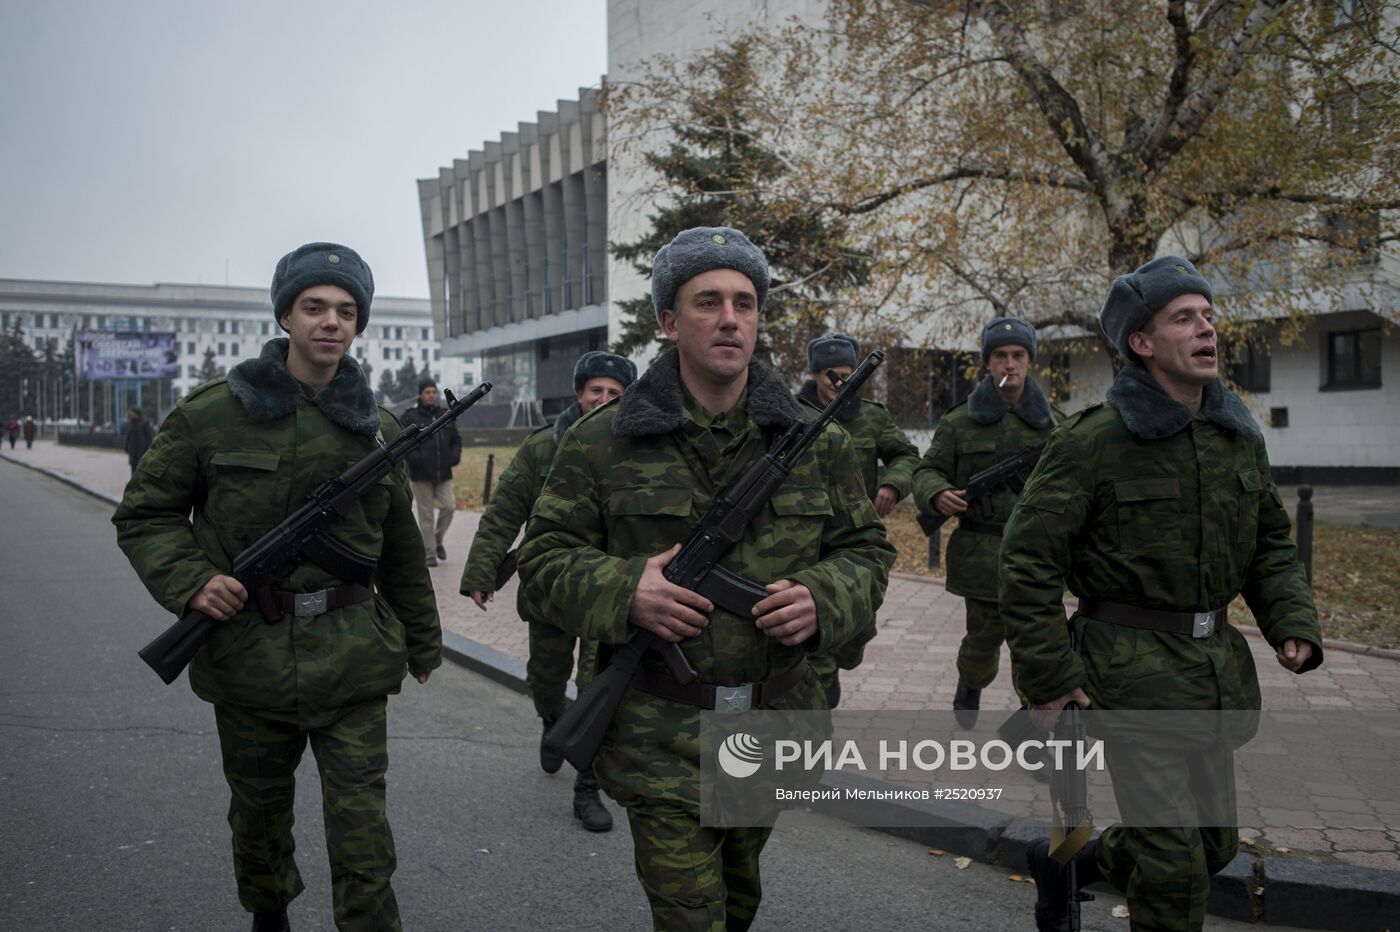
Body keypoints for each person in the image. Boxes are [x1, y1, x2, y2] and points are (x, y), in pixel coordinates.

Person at [517, 226, 895, 930]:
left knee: (740, 899)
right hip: (660, 731)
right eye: (708, 301)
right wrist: (625, 588)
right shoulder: (603, 442)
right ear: (668, 321)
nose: (730, 318)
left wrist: (824, 597)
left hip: (771, 719)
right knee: (692, 916)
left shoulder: (821, 444)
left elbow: (867, 551)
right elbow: (541, 562)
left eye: (746, 303)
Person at [113, 242, 441, 932]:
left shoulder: (376, 430)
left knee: (364, 835)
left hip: (352, 657)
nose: (332, 322)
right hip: (248, 659)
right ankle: (269, 912)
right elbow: (146, 514)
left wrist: (422, 643)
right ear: (285, 316)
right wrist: (193, 583)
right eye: (314, 307)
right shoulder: (211, 415)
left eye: (346, 311)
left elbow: (402, 551)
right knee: (259, 818)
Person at [999, 256, 1323, 932]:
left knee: (1211, 846)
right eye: (1184, 318)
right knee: (1173, 871)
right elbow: (1028, 561)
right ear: (1142, 344)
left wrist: (1290, 619)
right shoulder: (1094, 441)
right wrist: (1047, 677)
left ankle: (1064, 861)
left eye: (1208, 316)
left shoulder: (1235, 436)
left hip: (1211, 677)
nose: (1206, 329)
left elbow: (1268, 540)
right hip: (1124, 675)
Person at [459, 349, 638, 832]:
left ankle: (588, 788)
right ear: (579, 395)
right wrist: (480, 572)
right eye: (595, 391)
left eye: (614, 394)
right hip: (550, 588)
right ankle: (550, 721)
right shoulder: (542, 448)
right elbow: (503, 511)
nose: (603, 400)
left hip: (609, 590)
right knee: (546, 680)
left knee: (597, 688)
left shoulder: (639, 451)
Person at [911, 317, 1062, 727]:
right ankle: (970, 683)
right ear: (988, 364)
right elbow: (927, 470)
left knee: (1033, 649)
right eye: (1000, 356)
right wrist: (937, 493)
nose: (1009, 364)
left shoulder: (1057, 426)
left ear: (1030, 361)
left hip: (1037, 560)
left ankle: (1032, 728)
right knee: (982, 643)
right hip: (982, 558)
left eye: (1017, 355)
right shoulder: (960, 422)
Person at [798, 332, 919, 707]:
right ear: (816, 374)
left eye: (848, 375)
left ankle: (832, 667)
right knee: (812, 630)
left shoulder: (871, 418)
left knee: (855, 631)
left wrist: (893, 486)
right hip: (804, 540)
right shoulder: (789, 413)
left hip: (853, 540)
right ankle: (817, 685)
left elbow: (907, 456)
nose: (839, 383)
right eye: (831, 375)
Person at [402, 377, 462, 567]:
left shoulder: (446, 414)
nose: (431, 395)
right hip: (420, 475)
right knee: (426, 514)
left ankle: (436, 541)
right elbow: (405, 443)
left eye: (434, 392)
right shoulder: (410, 417)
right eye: (427, 392)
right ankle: (429, 553)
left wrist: (453, 457)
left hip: (443, 472)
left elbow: (456, 439)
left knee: (449, 507)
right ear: (421, 395)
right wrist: (417, 460)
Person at [124, 406, 155, 472]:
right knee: (133, 471)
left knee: (141, 471)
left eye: (131, 412)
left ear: (136, 413)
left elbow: (149, 437)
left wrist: (148, 450)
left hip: (142, 452)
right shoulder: (132, 423)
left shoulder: (145, 423)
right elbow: (129, 436)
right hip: (133, 452)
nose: (130, 414)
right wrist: (126, 447)